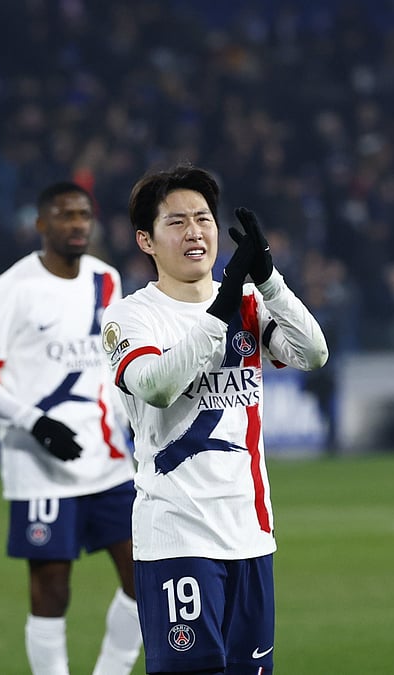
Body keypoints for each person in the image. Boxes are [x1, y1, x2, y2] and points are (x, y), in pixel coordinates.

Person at [102, 165, 328, 675]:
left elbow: (312, 354)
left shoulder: (250, 305)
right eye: (176, 222)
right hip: (177, 536)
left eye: (203, 218)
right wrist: (225, 302)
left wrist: (269, 281)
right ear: (146, 240)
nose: (194, 231)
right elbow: (158, 386)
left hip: (250, 533)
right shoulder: (131, 317)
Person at [0, 182, 142, 675]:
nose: (77, 224)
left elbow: (115, 366)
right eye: (65, 215)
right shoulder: (10, 291)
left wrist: (132, 426)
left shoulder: (107, 281)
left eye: (84, 214)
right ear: (41, 224)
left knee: (144, 577)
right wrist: (34, 424)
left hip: (109, 461)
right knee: (51, 590)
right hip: (39, 468)